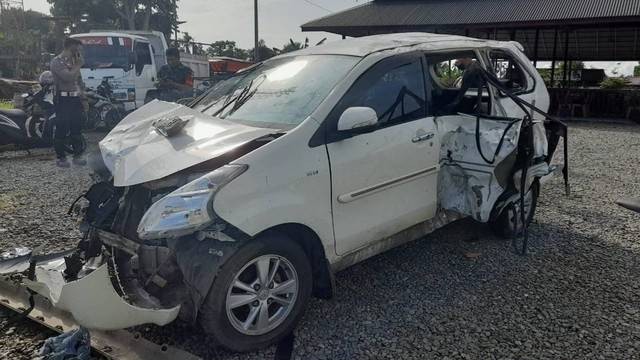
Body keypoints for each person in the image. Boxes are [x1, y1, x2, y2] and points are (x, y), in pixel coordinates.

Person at [50, 37, 86, 168]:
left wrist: (83, 95)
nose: (79, 52)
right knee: (62, 127)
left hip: (75, 98)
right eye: (77, 48)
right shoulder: (57, 62)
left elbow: (78, 80)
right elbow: (68, 77)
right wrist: (78, 65)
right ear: (71, 47)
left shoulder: (74, 62)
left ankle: (77, 155)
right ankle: (61, 157)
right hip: (63, 99)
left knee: (77, 127)